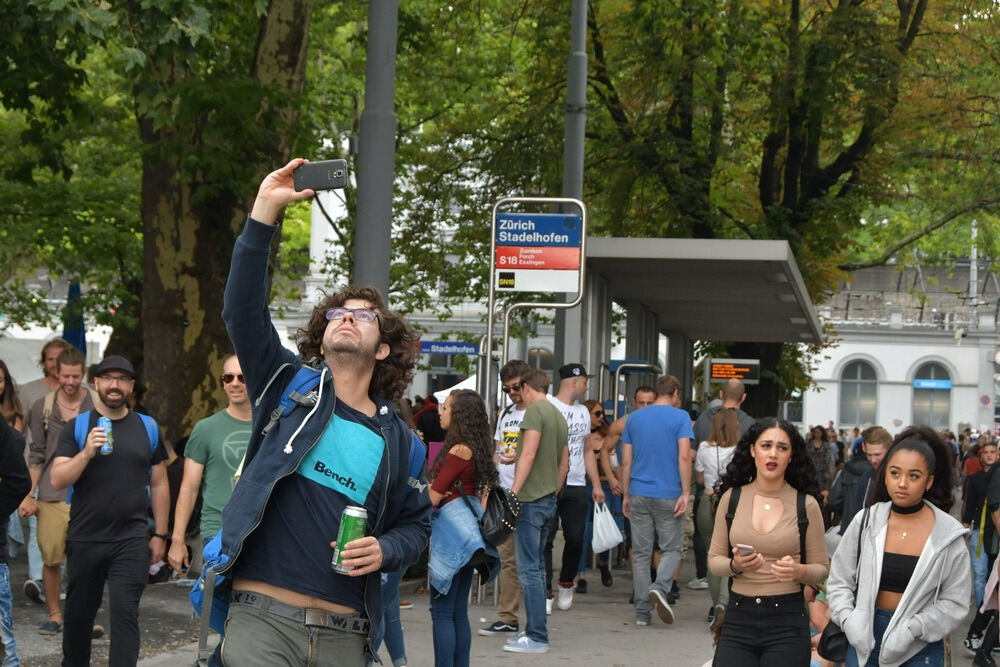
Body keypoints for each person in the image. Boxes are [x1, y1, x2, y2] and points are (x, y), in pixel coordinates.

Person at [216, 159, 431, 667]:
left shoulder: (401, 442)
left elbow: (417, 527)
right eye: (338, 313)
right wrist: (266, 210)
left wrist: (387, 551)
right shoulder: (287, 387)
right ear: (323, 334)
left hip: (345, 635)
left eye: (363, 316)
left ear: (383, 349)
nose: (347, 318)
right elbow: (241, 311)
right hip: (262, 620)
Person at [50, 354, 170, 667]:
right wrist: (86, 453)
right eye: (108, 378)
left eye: (122, 379)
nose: (114, 385)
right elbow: (57, 478)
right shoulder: (78, 427)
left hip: (130, 539)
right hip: (85, 538)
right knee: (78, 616)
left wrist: (160, 534)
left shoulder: (147, 427)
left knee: (125, 613)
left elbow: (158, 483)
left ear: (131, 386)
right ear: (97, 383)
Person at [827, 426, 970, 667]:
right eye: (895, 473)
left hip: (920, 647)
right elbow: (840, 579)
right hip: (864, 640)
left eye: (914, 476)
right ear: (885, 475)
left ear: (929, 481)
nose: (902, 483)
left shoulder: (948, 534)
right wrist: (849, 620)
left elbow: (956, 601)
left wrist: (915, 628)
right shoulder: (866, 521)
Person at [708, 418, 829, 664]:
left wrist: (799, 571)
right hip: (739, 616)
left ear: (791, 455)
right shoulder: (732, 498)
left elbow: (821, 569)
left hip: (787, 619)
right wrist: (736, 566)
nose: (773, 454)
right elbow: (714, 561)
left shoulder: (806, 505)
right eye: (766, 446)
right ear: (753, 450)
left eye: (782, 447)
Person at [25, 347, 98, 635]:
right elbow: (36, 455)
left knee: (88, 560)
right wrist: (28, 494)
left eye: (76, 376)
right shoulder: (43, 407)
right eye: (65, 376)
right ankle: (55, 614)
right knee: (52, 556)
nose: (70, 382)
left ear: (84, 373)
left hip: (90, 492)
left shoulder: (97, 404)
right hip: (52, 492)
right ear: (56, 373)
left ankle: (84, 617)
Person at [427, 390, 500, 667]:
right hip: (470, 536)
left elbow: (434, 496)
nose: (440, 412)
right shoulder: (478, 447)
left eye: (445, 408)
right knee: (458, 611)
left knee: (442, 612)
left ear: (458, 415)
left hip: (451, 535)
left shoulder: (459, 450)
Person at [167, 355, 252, 574]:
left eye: (242, 377)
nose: (235, 383)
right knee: (214, 604)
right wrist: (177, 540)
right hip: (216, 531)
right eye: (228, 377)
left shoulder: (274, 427)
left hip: (261, 532)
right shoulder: (206, 429)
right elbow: (189, 487)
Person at [621, 374, 694, 626]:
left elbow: (626, 460)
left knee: (641, 554)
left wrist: (626, 493)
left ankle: (642, 614)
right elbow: (684, 457)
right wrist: (685, 492)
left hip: (639, 492)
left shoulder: (635, 418)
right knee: (671, 548)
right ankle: (660, 588)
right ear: (674, 393)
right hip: (668, 494)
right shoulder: (681, 417)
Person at [504, 368, 568, 654]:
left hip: (530, 500)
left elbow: (529, 454)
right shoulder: (557, 415)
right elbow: (563, 463)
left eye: (519, 388)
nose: (518, 394)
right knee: (538, 568)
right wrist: (552, 491)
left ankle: (536, 635)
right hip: (548, 500)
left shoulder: (534, 413)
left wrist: (514, 494)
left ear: (528, 387)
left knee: (528, 569)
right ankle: (534, 632)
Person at [12, 338, 70, 605]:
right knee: (38, 523)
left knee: (67, 530)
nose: (55, 364)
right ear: (44, 362)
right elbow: (19, 429)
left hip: (70, 473)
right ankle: (38, 579)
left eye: (61, 358)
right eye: (50, 359)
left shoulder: (81, 391)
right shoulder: (28, 391)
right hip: (35, 467)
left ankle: (59, 581)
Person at [544, 363, 603, 611]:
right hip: (549, 481)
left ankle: (566, 581)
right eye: (585, 381)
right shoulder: (547, 405)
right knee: (546, 536)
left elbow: (588, 449)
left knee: (576, 538)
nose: (588, 385)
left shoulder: (582, 412)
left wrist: (596, 484)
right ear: (573, 382)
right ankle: (545, 590)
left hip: (577, 482)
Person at [479, 359, 530, 638]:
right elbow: (497, 451)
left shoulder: (538, 411)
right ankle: (507, 616)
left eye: (516, 387)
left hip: (530, 494)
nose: (512, 393)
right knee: (507, 558)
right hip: (505, 494)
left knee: (530, 559)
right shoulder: (507, 414)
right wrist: (490, 484)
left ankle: (532, 619)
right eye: (507, 389)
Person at [694, 408, 740, 632]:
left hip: (708, 500)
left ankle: (715, 605)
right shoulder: (740, 450)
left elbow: (700, 477)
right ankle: (724, 602)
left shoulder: (704, 448)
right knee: (731, 554)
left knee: (712, 554)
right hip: (732, 504)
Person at [963, 439, 999, 654]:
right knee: (982, 575)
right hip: (980, 530)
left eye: (993, 452)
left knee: (989, 581)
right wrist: (966, 525)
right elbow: (972, 502)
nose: (990, 455)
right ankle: (980, 626)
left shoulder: (994, 473)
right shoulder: (977, 478)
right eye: (986, 452)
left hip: (991, 534)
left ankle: (984, 632)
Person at [579, 398, 620, 588]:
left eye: (602, 413)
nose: (601, 417)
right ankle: (581, 575)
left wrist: (618, 482)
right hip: (584, 486)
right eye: (597, 413)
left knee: (604, 527)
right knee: (584, 531)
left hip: (605, 486)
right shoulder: (581, 435)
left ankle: (603, 563)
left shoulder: (607, 436)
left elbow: (615, 463)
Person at [828, 426, 891, 536]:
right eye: (869, 455)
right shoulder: (867, 477)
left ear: (890, 450)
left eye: (877, 455)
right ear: (863, 448)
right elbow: (859, 512)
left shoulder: (896, 477)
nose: (873, 460)